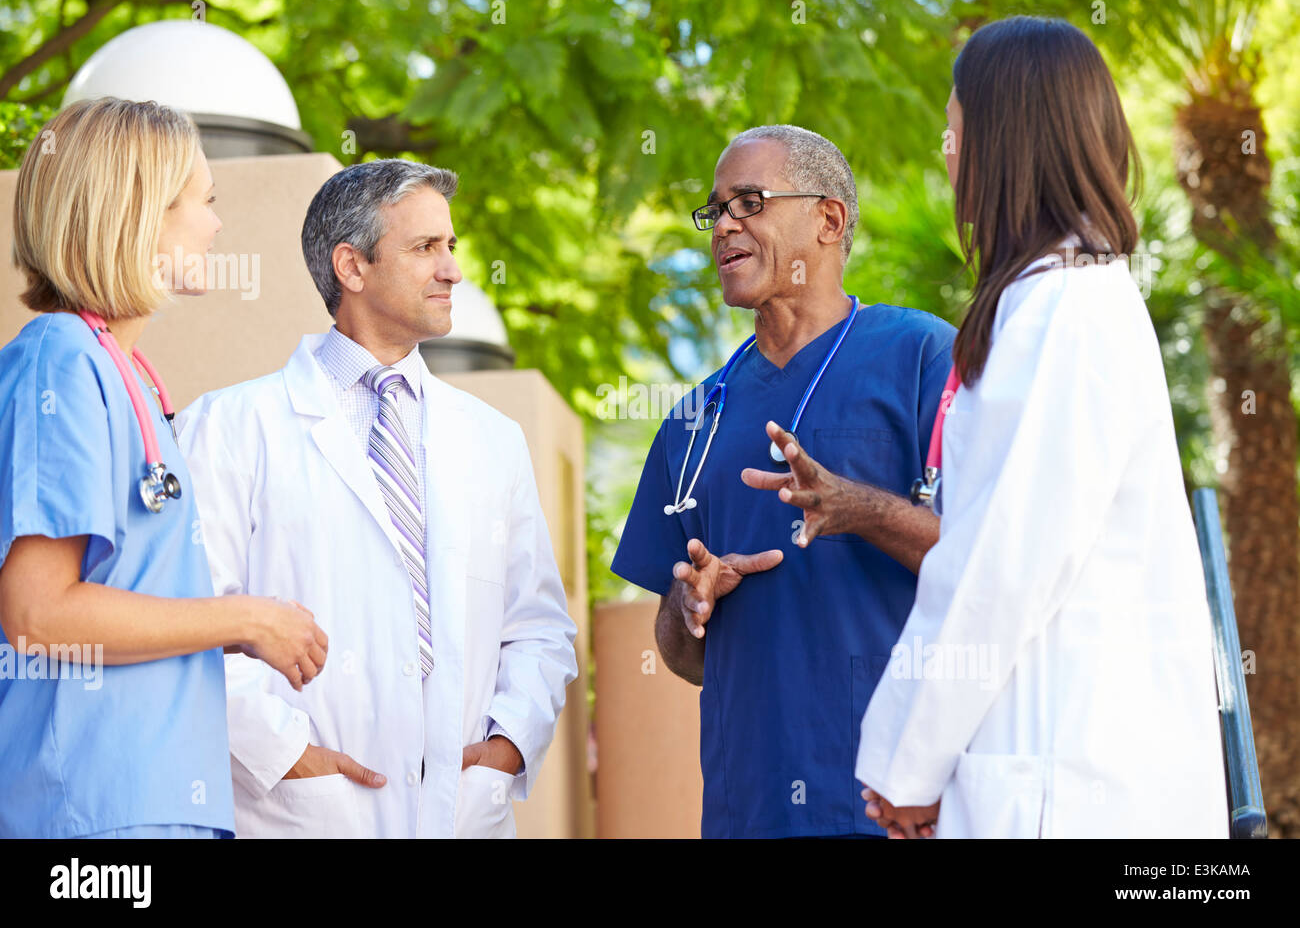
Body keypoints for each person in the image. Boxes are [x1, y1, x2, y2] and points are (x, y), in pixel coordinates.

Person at [855, 16, 1228, 838]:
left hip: (1066, 789)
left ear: (1005, 141)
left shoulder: (1065, 310)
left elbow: (999, 563)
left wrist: (905, 763)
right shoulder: (1070, 298)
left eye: (955, 133)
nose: (947, 156)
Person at [176, 158, 579, 838]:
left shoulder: (492, 440)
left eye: (451, 247)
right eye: (426, 248)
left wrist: (506, 747)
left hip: (461, 814)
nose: (452, 270)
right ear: (352, 267)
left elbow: (538, 627)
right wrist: (288, 756)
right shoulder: (228, 428)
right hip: (301, 813)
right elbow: (191, 620)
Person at [611, 125, 956, 838]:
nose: (723, 226)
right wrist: (688, 604)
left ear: (828, 219)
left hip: (902, 806)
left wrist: (859, 508)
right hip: (750, 813)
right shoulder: (693, 420)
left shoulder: (921, 355)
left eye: (749, 202)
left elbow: (985, 566)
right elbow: (681, 655)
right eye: (716, 211)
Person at [0, 97, 328, 839]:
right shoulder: (60, 360)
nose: (216, 225)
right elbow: (37, 612)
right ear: (139, 211)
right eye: (204, 201)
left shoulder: (131, 377)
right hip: (87, 816)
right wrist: (245, 619)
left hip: (153, 807)